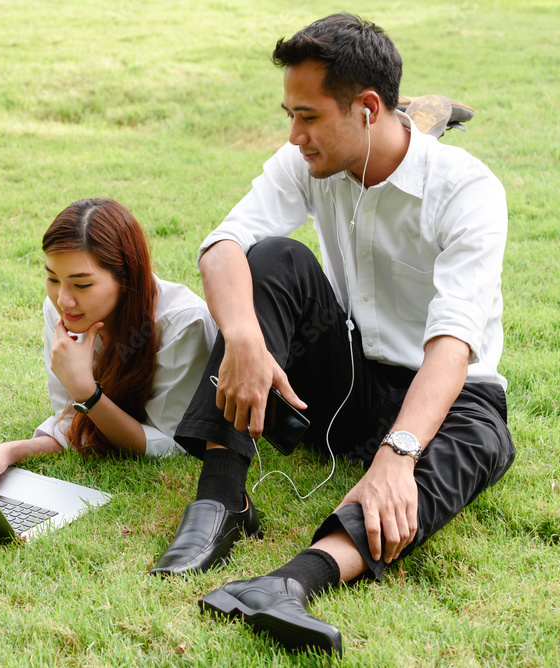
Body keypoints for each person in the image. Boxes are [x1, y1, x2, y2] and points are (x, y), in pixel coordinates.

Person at [150, 14, 514, 656]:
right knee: (271, 259)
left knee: (483, 439)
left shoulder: (468, 192)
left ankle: (291, 582)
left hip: (446, 396)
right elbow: (222, 244)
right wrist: (242, 338)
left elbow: (454, 343)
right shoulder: (307, 161)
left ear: (368, 109)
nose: (294, 135)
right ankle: (220, 503)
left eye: (309, 116)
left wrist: (399, 455)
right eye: (290, 114)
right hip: (347, 380)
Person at [0, 198, 218, 486]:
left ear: (126, 276)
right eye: (53, 278)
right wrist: (12, 450)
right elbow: (77, 425)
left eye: (82, 284)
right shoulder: (62, 312)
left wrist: (87, 393)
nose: (63, 299)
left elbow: (169, 445)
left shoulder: (184, 325)